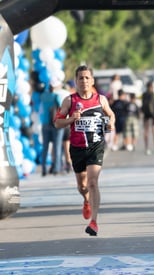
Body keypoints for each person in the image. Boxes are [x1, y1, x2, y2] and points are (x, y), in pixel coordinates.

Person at [54, 65, 115, 236]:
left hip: (95, 146)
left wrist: (111, 123)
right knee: (82, 186)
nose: (84, 81)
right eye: (80, 78)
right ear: (76, 81)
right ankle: (86, 200)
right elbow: (57, 122)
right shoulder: (69, 101)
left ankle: (94, 222)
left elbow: (111, 114)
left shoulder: (100, 99)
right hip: (77, 148)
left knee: (93, 182)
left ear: (92, 81)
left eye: (87, 78)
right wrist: (71, 119)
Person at [39, 80, 64, 176]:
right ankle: (56, 169)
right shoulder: (56, 96)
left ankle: (44, 168)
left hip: (45, 122)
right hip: (55, 123)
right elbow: (61, 109)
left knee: (45, 147)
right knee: (57, 146)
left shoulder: (43, 96)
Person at [50, 77, 72, 173]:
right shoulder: (66, 93)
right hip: (66, 121)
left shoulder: (51, 94)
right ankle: (68, 163)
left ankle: (55, 164)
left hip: (55, 121)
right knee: (66, 143)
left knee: (55, 145)